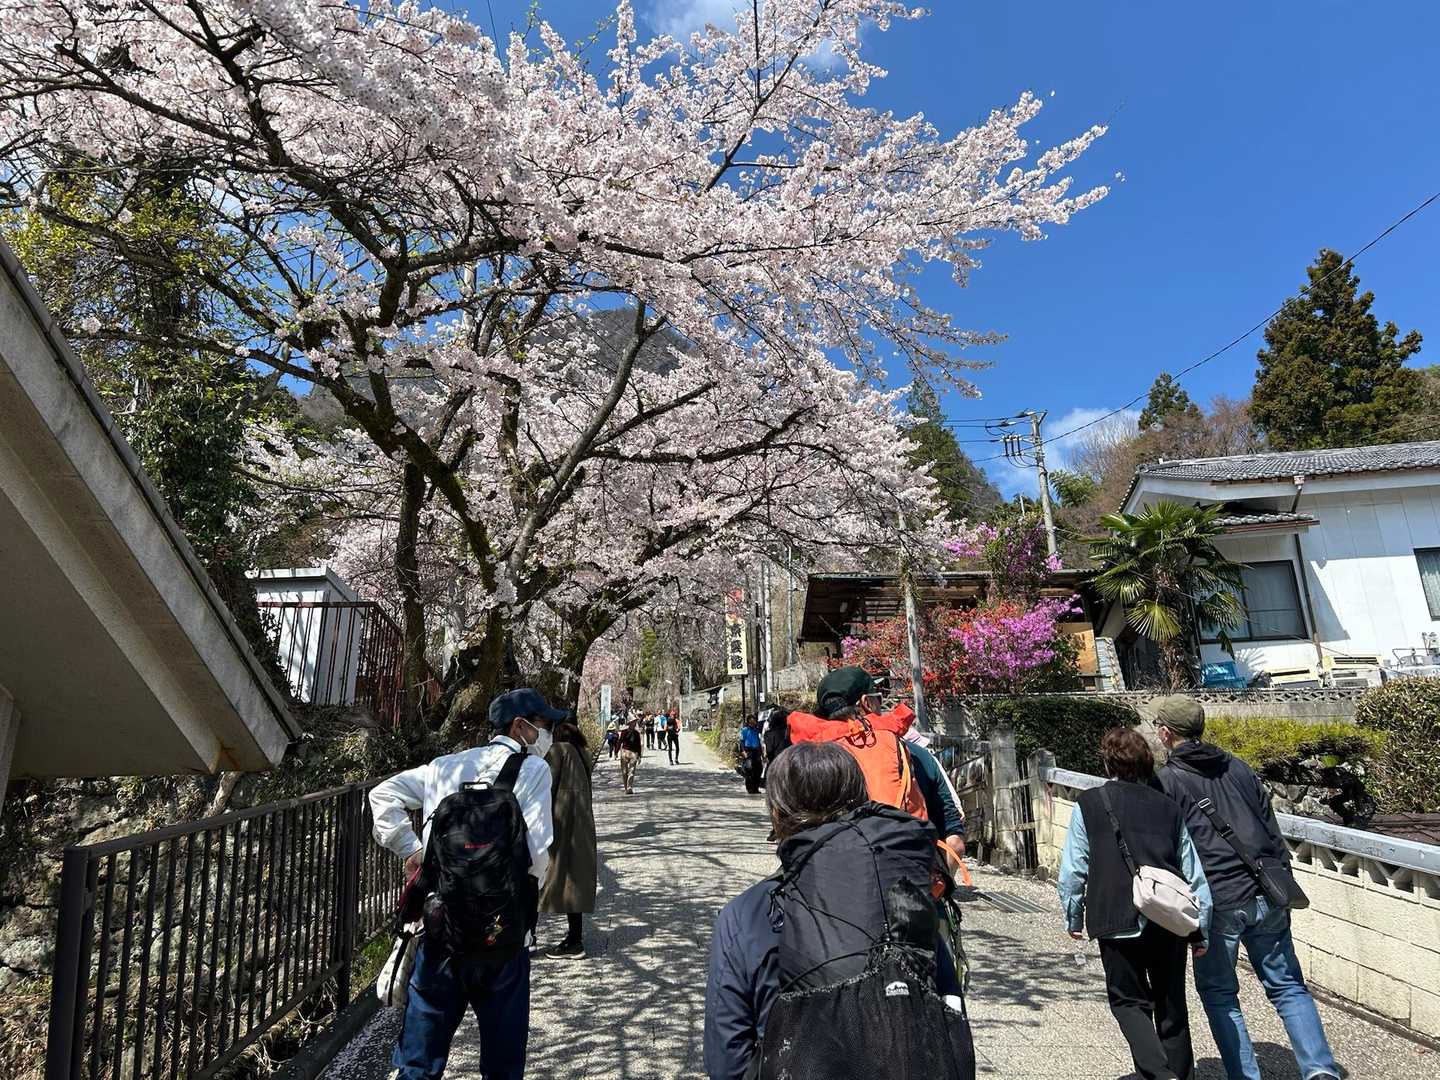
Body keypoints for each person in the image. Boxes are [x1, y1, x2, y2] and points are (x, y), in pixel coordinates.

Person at [704, 742, 965, 1080]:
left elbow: (727, 1063)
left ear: (777, 816)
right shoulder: (907, 899)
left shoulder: (745, 914)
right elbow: (950, 1016)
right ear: (862, 803)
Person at [369, 688, 561, 1080]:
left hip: (441, 930)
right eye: (544, 725)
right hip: (502, 936)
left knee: (418, 1062)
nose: (548, 734)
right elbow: (538, 855)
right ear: (520, 726)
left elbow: (381, 795)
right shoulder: (534, 770)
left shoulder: (444, 766)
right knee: (502, 1066)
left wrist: (413, 849)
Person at [1153, 697, 1341, 1080]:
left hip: (1217, 896)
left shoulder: (1166, 781)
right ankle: (1321, 1070)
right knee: (1288, 986)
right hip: (1266, 887)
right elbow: (1271, 828)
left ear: (1165, 733)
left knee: (1220, 993)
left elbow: (1166, 845)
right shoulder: (1237, 766)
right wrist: (1283, 881)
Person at [1059, 727, 1212, 1080]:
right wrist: (1200, 929)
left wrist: (1073, 916)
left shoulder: (1090, 804)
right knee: (1171, 1004)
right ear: (1146, 763)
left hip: (1116, 916)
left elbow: (1073, 869)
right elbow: (1193, 872)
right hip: (1168, 917)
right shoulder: (1169, 808)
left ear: (1108, 763)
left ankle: (1159, 1073)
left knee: (1128, 1001)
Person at [540, 720, 597, 960]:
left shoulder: (559, 751)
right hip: (582, 824)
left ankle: (529, 937)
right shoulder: (583, 754)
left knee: (540, 876)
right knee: (575, 882)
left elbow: (544, 786)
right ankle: (575, 938)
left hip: (560, 823)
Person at [738, 716, 763, 794]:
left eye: (754, 721)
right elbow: (741, 741)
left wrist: (762, 753)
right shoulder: (744, 730)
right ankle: (750, 788)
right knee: (749, 770)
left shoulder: (757, 730)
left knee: (758, 770)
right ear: (748, 722)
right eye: (751, 721)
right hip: (748, 751)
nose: (753, 723)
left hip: (756, 751)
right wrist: (743, 751)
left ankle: (756, 788)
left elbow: (760, 741)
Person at [618, 718, 642, 795]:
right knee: (624, 772)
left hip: (633, 753)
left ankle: (629, 787)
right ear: (629, 724)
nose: (634, 724)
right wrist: (616, 752)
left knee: (632, 771)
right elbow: (620, 741)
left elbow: (638, 745)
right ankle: (626, 787)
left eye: (635, 722)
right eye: (633, 722)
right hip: (625, 752)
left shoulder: (636, 733)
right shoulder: (624, 732)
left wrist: (639, 755)